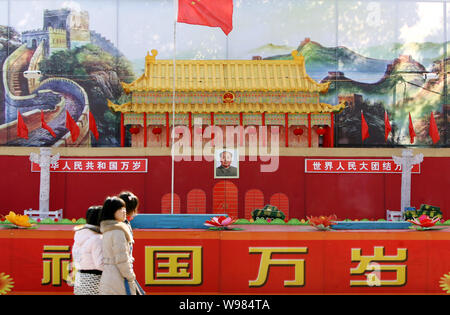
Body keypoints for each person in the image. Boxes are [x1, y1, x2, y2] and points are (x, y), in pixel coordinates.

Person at [99, 196, 138, 295]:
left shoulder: (106, 229)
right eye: (120, 209)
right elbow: (122, 259)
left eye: (124, 208)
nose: (124, 211)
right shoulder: (118, 232)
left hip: (106, 278)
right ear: (112, 211)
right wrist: (131, 276)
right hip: (119, 280)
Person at [72, 206, 103, 295]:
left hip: (79, 278)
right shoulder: (98, 238)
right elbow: (100, 264)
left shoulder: (79, 236)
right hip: (94, 280)